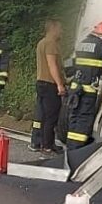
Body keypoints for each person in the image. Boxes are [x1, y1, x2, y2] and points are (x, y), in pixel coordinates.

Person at [63, 19, 102, 158]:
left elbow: (69, 65)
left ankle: (69, 150)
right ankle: (77, 153)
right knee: (84, 121)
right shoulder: (101, 46)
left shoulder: (82, 43)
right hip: (87, 92)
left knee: (74, 119)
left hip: (75, 89)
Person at [31, 18, 66, 156]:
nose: (61, 31)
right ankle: (47, 145)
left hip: (40, 82)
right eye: (59, 28)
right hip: (50, 83)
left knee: (43, 115)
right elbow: (52, 65)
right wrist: (59, 84)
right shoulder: (51, 44)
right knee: (51, 116)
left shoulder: (41, 43)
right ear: (53, 29)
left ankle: (40, 142)